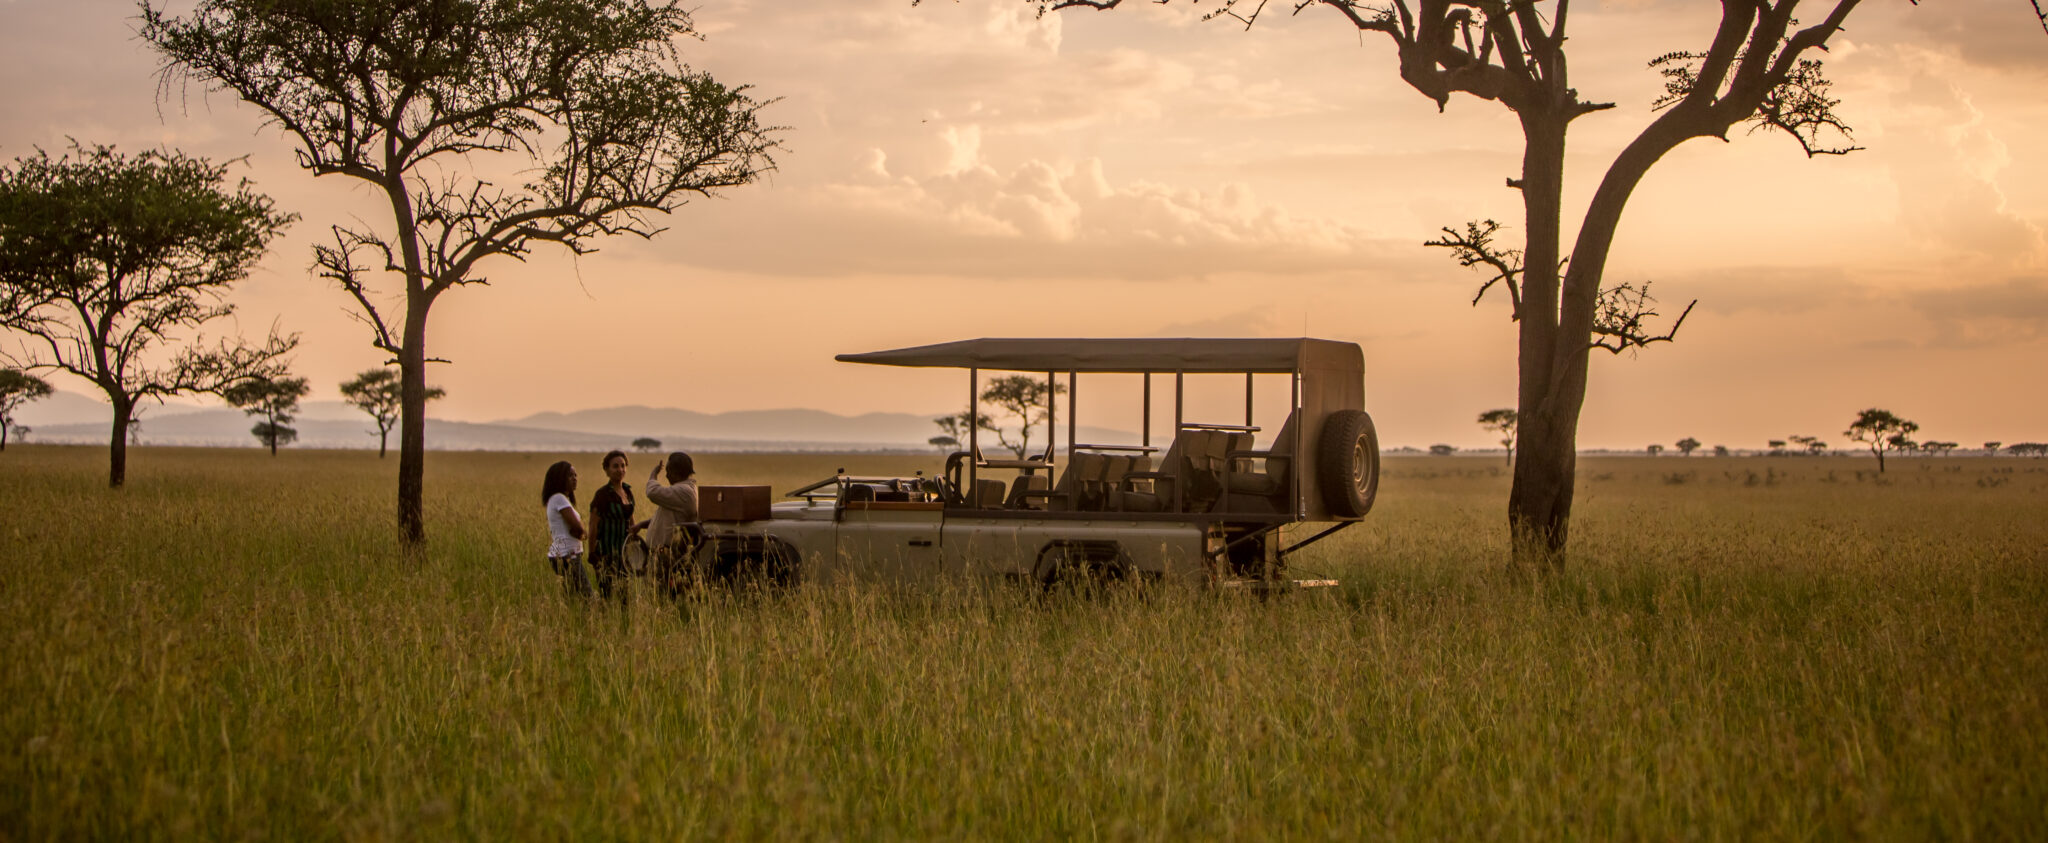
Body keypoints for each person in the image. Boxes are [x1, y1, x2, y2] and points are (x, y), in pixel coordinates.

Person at [586, 449, 647, 602]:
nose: (620, 470)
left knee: (624, 596)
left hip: (624, 553)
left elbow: (630, 519)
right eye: (615, 466)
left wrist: (636, 544)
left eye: (623, 466)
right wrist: (592, 553)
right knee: (608, 595)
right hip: (606, 552)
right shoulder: (602, 495)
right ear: (606, 470)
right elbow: (593, 526)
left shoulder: (627, 491)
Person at [645, 451, 700, 592]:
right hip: (663, 553)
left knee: (661, 594)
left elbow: (652, 492)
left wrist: (653, 475)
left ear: (677, 472)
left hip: (667, 555)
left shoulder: (683, 491)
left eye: (668, 471)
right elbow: (670, 518)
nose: (667, 475)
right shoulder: (683, 490)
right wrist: (644, 524)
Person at [541, 460, 590, 598]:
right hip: (568, 556)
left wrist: (580, 532)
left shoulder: (559, 499)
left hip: (565, 555)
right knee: (586, 598)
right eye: (570, 475)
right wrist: (583, 532)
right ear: (559, 479)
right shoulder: (559, 498)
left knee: (573, 598)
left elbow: (577, 530)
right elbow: (577, 526)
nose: (575, 479)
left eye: (575, 475)